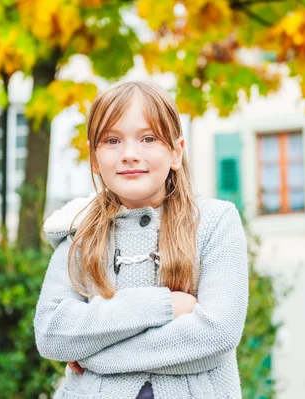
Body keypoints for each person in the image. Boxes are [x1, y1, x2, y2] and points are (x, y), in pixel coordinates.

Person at [34, 81, 249, 399]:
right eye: (112, 140)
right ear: (95, 158)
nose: (129, 154)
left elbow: (216, 334)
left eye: (148, 138)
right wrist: (164, 306)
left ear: (176, 152)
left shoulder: (215, 224)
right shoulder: (79, 233)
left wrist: (93, 354)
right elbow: (52, 332)